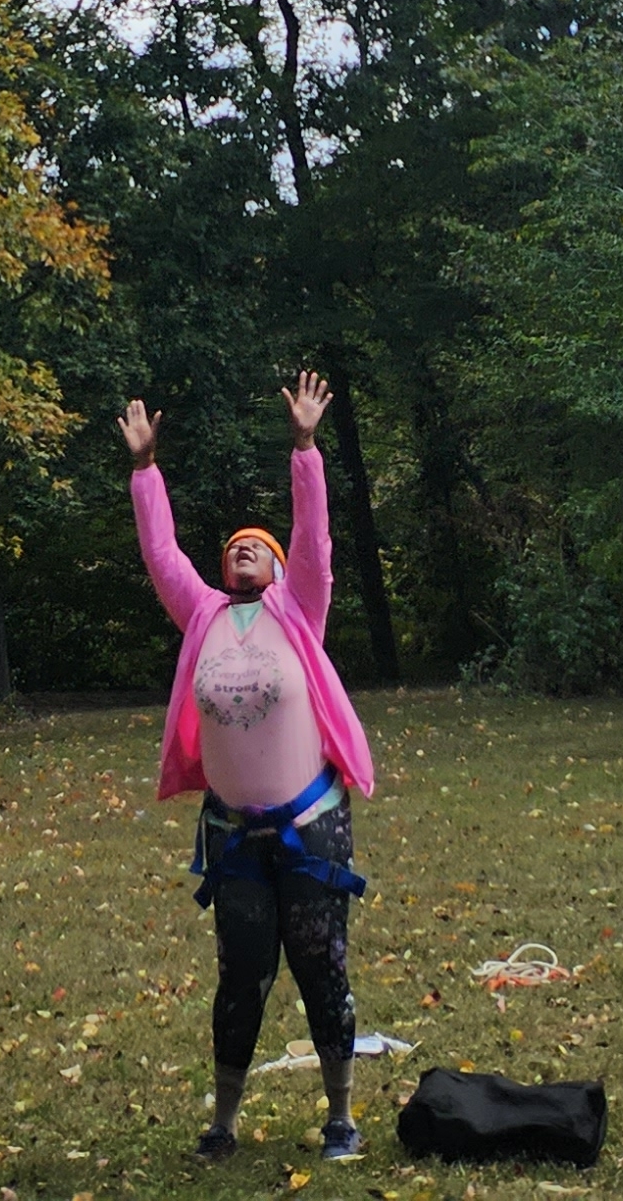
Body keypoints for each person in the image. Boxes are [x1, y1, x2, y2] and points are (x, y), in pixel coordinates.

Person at [122, 377, 376, 1165]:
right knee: (240, 978)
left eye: (258, 545)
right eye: (235, 543)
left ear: (278, 565)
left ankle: (341, 1118)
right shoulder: (200, 613)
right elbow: (161, 555)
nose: (244, 547)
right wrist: (145, 469)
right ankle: (223, 1123)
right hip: (232, 835)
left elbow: (315, 539)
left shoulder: (299, 608)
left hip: (311, 826)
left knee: (321, 969)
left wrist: (305, 447)